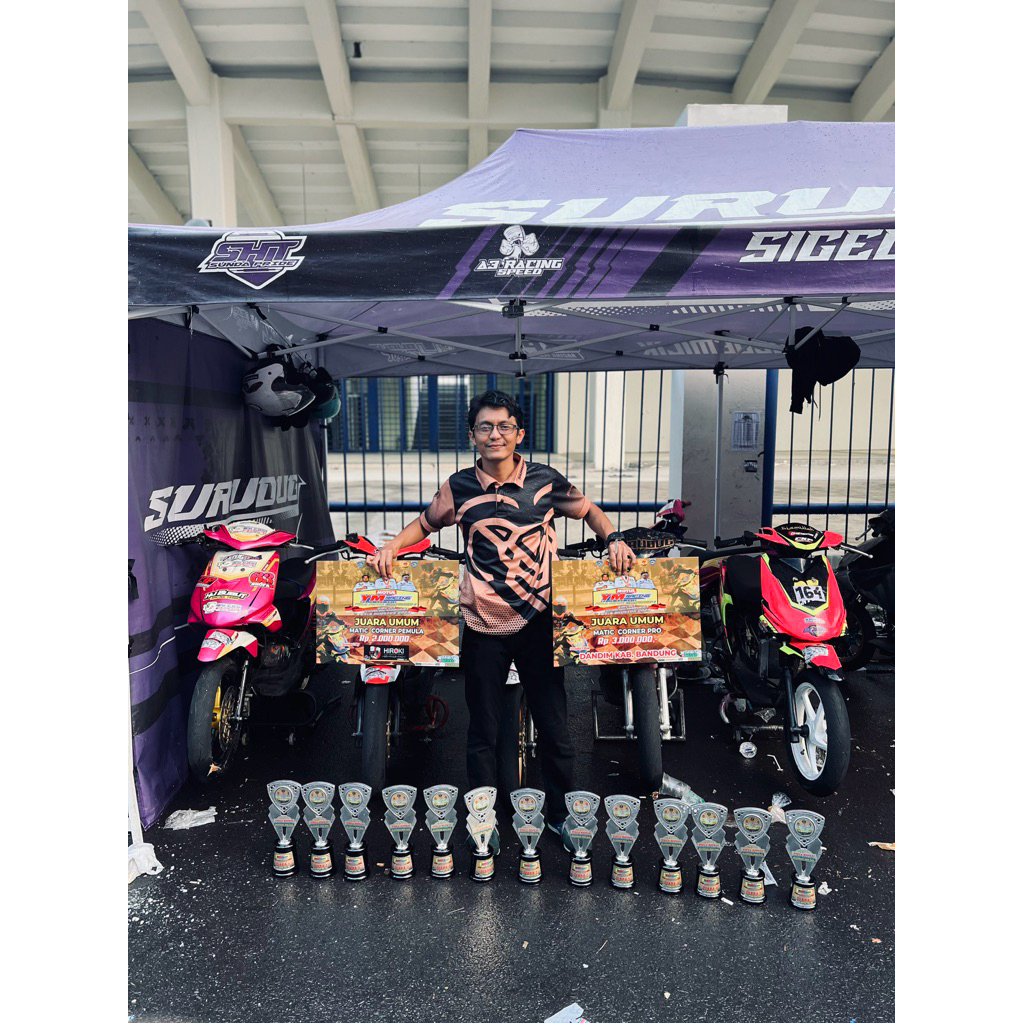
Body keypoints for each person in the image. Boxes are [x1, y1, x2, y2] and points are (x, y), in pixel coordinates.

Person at [369, 389, 636, 847]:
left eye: (504, 426)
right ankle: (483, 819)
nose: (495, 434)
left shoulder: (546, 481)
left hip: (540, 622)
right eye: (485, 427)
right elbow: (426, 523)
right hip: (481, 624)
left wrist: (613, 538)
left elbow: (589, 511)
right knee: (483, 732)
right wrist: (392, 546)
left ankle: (561, 815)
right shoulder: (459, 487)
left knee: (555, 728)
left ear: (519, 434)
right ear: (472, 435)